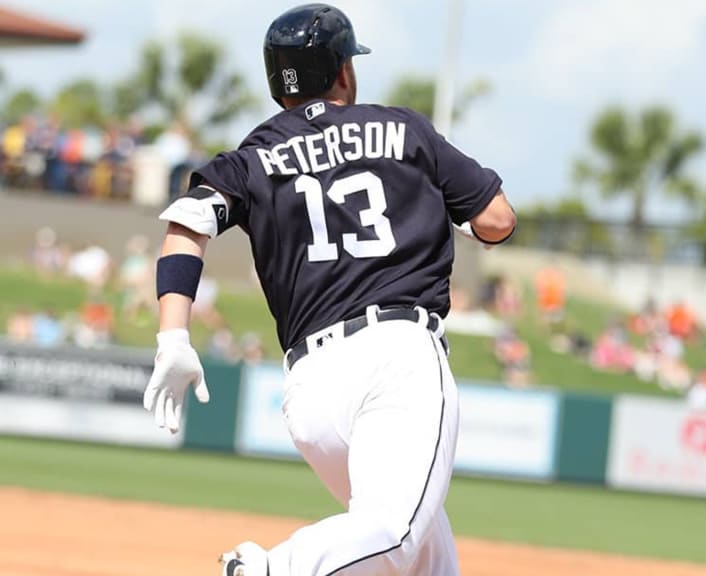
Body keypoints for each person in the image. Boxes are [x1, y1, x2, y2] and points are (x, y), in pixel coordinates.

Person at [141, 5, 516, 576]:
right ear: (343, 72)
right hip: (396, 358)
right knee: (395, 531)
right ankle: (270, 570)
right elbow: (497, 219)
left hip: (311, 393)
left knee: (428, 558)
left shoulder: (250, 158)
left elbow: (188, 225)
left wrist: (173, 338)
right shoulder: (405, 130)